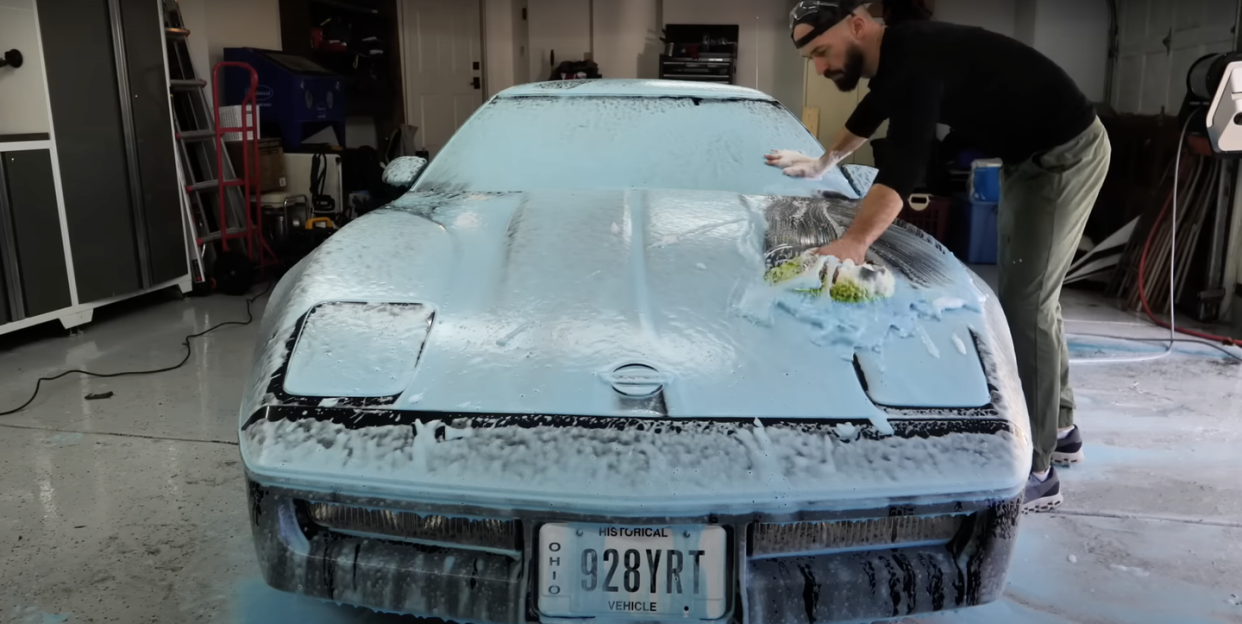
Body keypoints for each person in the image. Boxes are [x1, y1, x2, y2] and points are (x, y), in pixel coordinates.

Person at [766, 0, 1108, 513]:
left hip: (1063, 157)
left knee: (1025, 306)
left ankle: (1039, 469)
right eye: (811, 59)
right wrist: (824, 161)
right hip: (1029, 158)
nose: (820, 66)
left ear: (856, 25)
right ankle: (1061, 427)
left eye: (822, 51)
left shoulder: (915, 66)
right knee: (1033, 297)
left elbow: (902, 168)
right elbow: (869, 114)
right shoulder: (898, 56)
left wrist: (855, 242)